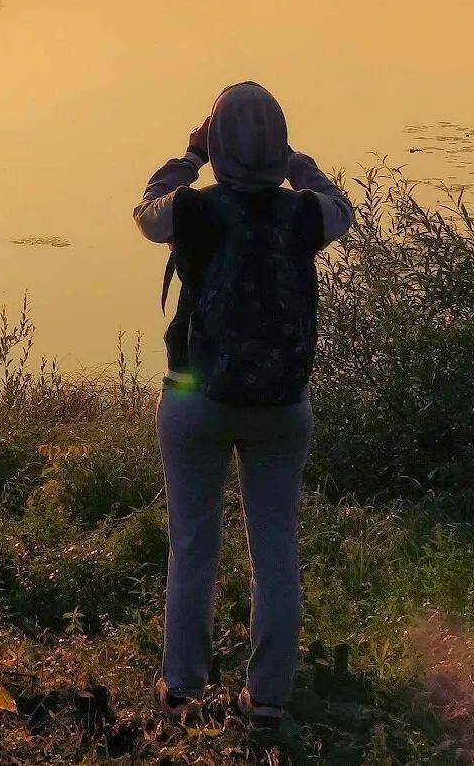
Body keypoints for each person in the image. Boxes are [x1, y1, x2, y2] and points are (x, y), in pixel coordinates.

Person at [134, 80, 353, 725]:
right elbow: (340, 202)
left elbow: (147, 207)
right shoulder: (306, 215)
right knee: (276, 545)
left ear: (217, 145)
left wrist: (190, 155)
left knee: (194, 545)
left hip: (195, 398)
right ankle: (268, 699)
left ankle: (184, 691)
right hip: (282, 405)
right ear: (281, 144)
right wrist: (297, 164)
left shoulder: (193, 210)